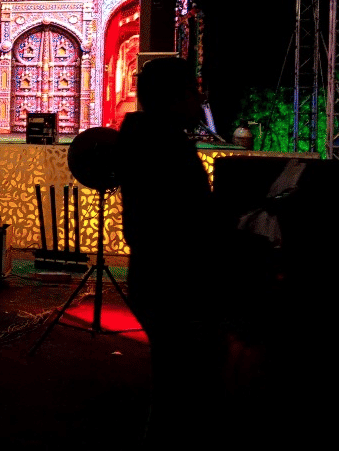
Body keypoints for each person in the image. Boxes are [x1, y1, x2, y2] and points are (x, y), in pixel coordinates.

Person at [114, 56, 228, 441]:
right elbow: (185, 219)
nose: (200, 102)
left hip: (154, 272)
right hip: (171, 276)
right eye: (193, 92)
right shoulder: (163, 146)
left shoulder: (144, 137)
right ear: (174, 98)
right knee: (183, 371)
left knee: (172, 369)